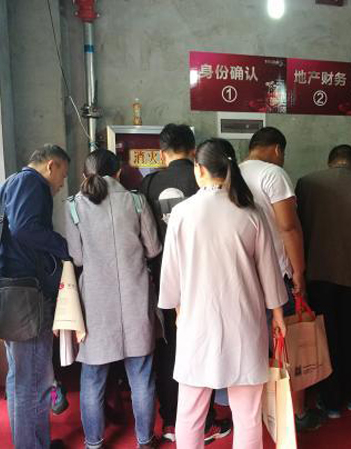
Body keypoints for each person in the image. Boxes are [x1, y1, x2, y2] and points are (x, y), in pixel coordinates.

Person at [158, 138, 288, 449]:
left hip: (196, 323)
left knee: (189, 413)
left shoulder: (182, 213)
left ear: (199, 169)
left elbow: (171, 274)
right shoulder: (251, 212)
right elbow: (269, 271)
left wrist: (177, 311)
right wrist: (278, 314)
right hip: (246, 322)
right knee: (248, 415)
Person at [64, 150, 162, 449]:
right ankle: (145, 440)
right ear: (118, 172)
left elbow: (77, 257)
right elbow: (153, 248)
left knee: (93, 377)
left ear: (85, 174)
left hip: (95, 302)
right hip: (135, 297)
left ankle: (93, 443)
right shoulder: (136, 201)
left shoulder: (73, 206)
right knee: (141, 375)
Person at [140, 124, 231, 444]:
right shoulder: (202, 180)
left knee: (169, 349)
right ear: (194, 151)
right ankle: (204, 421)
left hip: (163, 280)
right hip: (204, 278)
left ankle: (170, 419)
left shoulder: (148, 183)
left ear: (162, 152)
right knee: (204, 348)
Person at [0, 144, 70, 448]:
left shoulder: (11, 184)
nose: (61, 185)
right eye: (63, 175)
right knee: (32, 383)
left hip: (12, 296)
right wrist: (63, 247)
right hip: (27, 298)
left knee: (21, 380)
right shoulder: (31, 183)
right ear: (51, 165)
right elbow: (24, 229)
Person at [239, 127, 321, 430]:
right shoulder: (273, 174)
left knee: (252, 349)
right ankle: (296, 414)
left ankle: (256, 416)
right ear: (277, 149)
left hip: (243, 277)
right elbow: (288, 228)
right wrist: (299, 272)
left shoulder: (233, 173)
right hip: (276, 277)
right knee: (289, 346)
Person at [296, 144, 351, 418]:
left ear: (330, 161)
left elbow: (298, 228)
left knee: (325, 338)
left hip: (318, 273)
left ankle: (331, 402)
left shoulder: (306, 183)